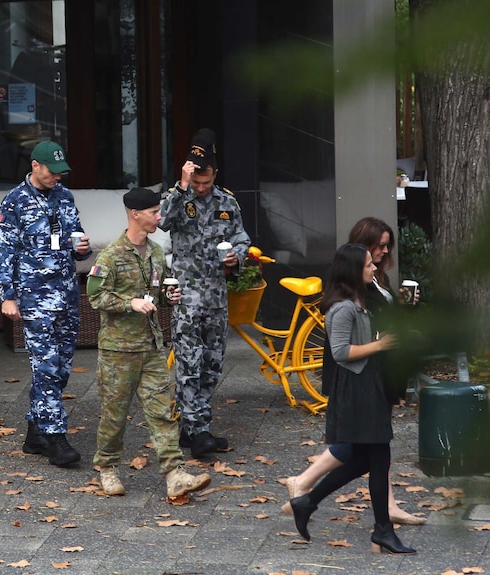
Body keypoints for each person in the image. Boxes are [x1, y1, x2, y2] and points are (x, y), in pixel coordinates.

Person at [282, 217, 425, 525]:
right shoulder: (351, 292)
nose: (385, 253)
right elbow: (349, 345)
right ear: (364, 248)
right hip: (360, 375)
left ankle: (314, 494)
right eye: (380, 246)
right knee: (366, 446)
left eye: (388, 245)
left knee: (373, 448)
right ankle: (307, 487)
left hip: (373, 372)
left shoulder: (374, 280)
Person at [87, 187, 212, 498]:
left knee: (163, 412)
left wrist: (170, 298)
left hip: (153, 346)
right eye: (155, 212)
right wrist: (129, 303)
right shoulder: (111, 256)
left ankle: (175, 474)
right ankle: (107, 467)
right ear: (136, 214)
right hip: (118, 350)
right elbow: (94, 296)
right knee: (114, 414)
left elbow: (157, 293)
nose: (159, 217)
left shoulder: (156, 252)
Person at [0, 140, 92, 467]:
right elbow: (4, 251)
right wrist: (6, 295)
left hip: (66, 295)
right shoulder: (15, 202)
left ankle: (35, 432)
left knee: (60, 368)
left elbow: (76, 238)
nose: (57, 177)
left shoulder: (65, 196)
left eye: (62, 172)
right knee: (46, 366)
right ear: (35, 166)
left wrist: (82, 248)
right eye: (52, 171)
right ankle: (55, 437)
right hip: (34, 297)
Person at [159, 128, 250, 459]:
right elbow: (162, 222)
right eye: (196, 182)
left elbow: (242, 238)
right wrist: (182, 187)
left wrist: (235, 257)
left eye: (205, 182)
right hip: (186, 298)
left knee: (212, 364)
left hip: (216, 296)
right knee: (189, 364)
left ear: (215, 174)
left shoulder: (227, 202)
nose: (200, 188)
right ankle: (199, 433)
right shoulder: (179, 198)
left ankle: (192, 428)